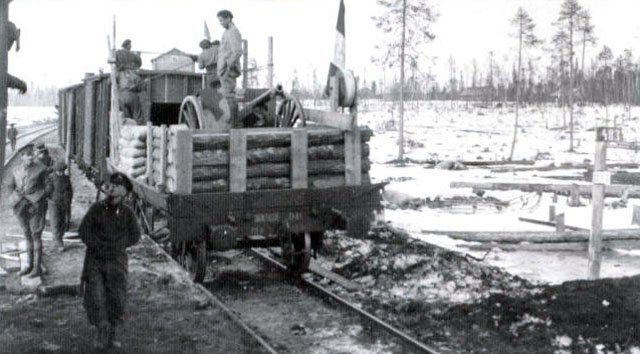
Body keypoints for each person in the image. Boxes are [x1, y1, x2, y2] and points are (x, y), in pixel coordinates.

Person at [79, 172, 141, 349]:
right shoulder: (96, 209)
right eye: (111, 189)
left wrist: (119, 246)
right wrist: (97, 245)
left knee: (116, 298)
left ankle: (112, 334)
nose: (112, 194)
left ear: (124, 195)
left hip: (117, 262)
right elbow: (83, 231)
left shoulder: (127, 213)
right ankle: (101, 332)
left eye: (117, 191)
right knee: (96, 297)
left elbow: (135, 236)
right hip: (95, 261)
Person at [7, 143, 52, 277]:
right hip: (20, 207)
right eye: (28, 155)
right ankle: (29, 265)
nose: (32, 157)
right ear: (22, 157)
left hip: (36, 206)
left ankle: (37, 268)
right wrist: (14, 199)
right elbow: (10, 186)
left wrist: (38, 197)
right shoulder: (16, 170)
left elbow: (50, 187)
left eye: (32, 154)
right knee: (27, 235)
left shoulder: (42, 168)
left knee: (36, 235)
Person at [216, 9, 243, 127]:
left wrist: (228, 66)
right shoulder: (226, 32)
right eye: (219, 21)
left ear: (229, 18)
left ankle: (234, 123)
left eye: (222, 20)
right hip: (223, 69)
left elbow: (237, 51)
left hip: (227, 69)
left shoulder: (233, 32)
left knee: (229, 95)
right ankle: (233, 121)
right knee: (227, 96)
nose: (220, 23)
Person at [115, 39, 143, 124]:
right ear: (128, 46)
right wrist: (138, 54)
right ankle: (138, 133)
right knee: (137, 117)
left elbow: (111, 81)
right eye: (130, 45)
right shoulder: (133, 73)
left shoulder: (119, 73)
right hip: (132, 95)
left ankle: (126, 135)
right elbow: (139, 85)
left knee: (125, 119)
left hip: (121, 96)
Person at [48, 161, 73, 252]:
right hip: (54, 203)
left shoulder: (66, 178)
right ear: (55, 171)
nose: (61, 173)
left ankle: (57, 240)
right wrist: (51, 199)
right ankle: (59, 242)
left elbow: (70, 190)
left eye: (62, 171)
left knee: (63, 222)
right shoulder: (51, 178)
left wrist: (68, 201)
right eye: (59, 171)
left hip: (64, 203)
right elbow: (48, 190)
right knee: (55, 222)